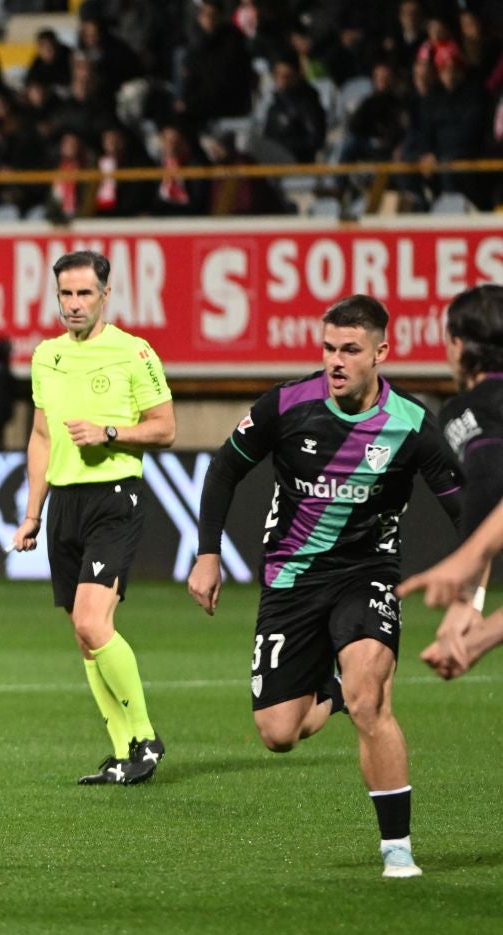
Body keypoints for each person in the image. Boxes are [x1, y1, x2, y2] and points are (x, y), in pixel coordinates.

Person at [189, 295, 463, 879]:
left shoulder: (411, 425)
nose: (336, 361)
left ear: (381, 353)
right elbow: (224, 468)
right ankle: (333, 688)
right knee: (279, 734)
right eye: (329, 348)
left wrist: (473, 578)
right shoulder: (286, 406)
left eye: (351, 350)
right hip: (290, 579)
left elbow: (465, 508)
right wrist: (207, 553)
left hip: (367, 573)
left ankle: (397, 849)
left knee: (371, 698)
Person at [11, 251, 176, 785]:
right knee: (84, 636)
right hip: (64, 504)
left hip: (114, 496)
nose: (74, 304)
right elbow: (40, 436)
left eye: (84, 293)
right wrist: (32, 512)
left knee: (91, 622)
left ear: (106, 295)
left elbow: (164, 427)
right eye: (66, 294)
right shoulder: (46, 356)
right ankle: (124, 751)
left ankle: (146, 737)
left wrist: (109, 433)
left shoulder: (134, 352)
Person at [398, 283, 503, 678]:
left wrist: (462, 571)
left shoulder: (473, 408)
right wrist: (475, 633)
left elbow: (492, 480)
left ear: (458, 346)